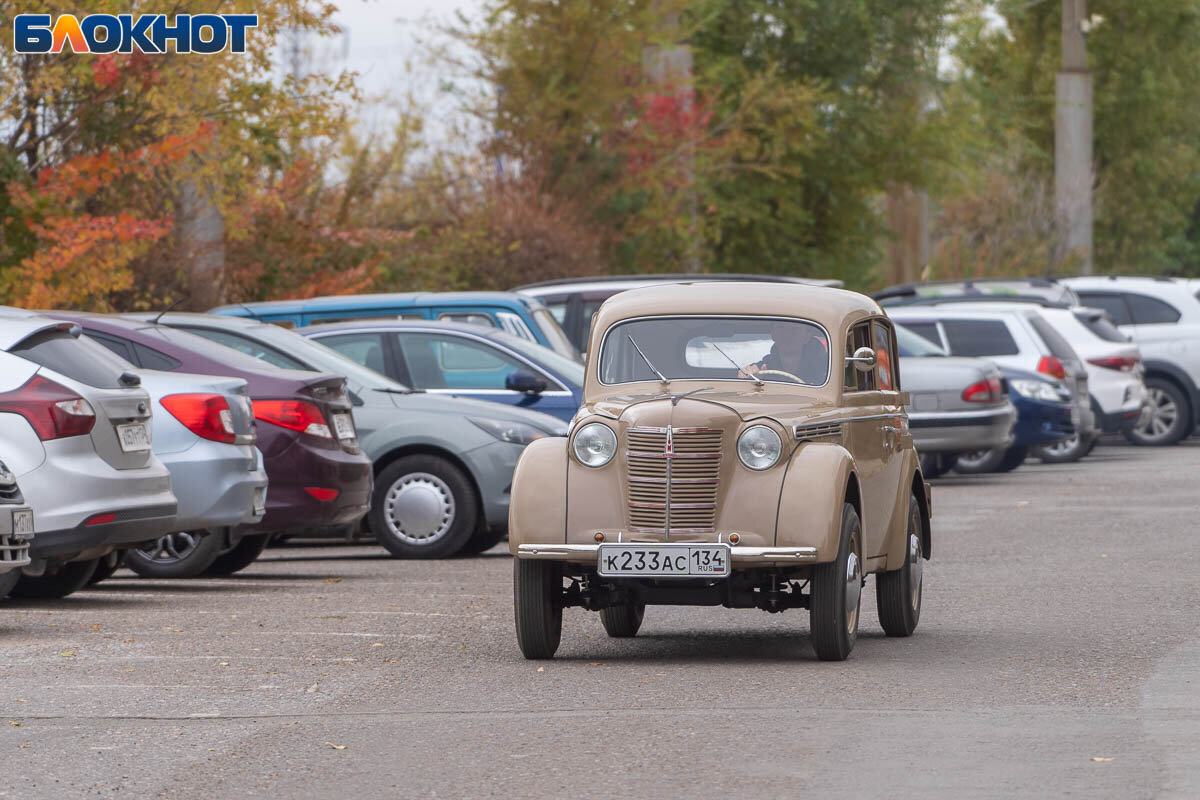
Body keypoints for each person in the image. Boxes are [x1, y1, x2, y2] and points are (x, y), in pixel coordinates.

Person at [739, 322, 828, 385]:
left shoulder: (825, 370)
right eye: (781, 328)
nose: (788, 334)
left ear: (807, 336)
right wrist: (748, 378)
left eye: (795, 329)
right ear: (773, 334)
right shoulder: (763, 369)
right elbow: (747, 375)